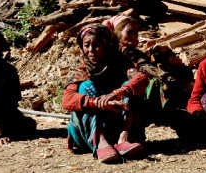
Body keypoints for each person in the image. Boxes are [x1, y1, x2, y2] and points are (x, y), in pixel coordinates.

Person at [63, 23, 148, 163]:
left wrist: (116, 94)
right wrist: (97, 103)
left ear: (107, 45)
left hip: (117, 122)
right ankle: (101, 142)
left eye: (96, 45)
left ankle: (123, 139)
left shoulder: (121, 62)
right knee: (85, 86)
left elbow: (141, 78)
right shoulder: (81, 68)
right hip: (87, 133)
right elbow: (67, 99)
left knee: (128, 85)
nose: (91, 50)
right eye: (86, 45)